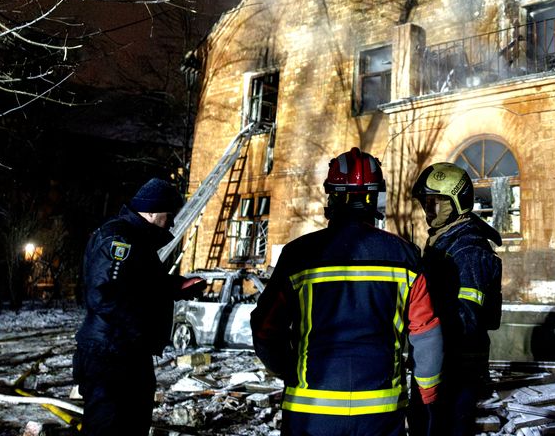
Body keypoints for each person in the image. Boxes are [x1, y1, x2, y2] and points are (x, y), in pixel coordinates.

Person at [251, 147, 443, 436]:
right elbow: (427, 336)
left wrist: (287, 370)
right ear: (375, 198)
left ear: (332, 196)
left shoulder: (298, 255)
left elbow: (266, 328)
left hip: (310, 413)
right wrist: (427, 399)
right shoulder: (406, 257)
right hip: (380, 414)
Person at [73, 178, 206, 436]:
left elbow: (138, 286)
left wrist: (176, 287)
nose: (172, 223)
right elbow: (103, 294)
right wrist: (139, 328)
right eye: (169, 215)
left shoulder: (137, 241)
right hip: (110, 357)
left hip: (127, 354)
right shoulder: (119, 240)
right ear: (152, 211)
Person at [411, 163, 502, 436]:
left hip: (457, 367)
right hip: (439, 361)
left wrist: (423, 322)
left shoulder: (468, 249)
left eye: (435, 203)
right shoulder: (444, 242)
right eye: (426, 204)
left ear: (455, 203)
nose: (429, 212)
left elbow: (468, 317)